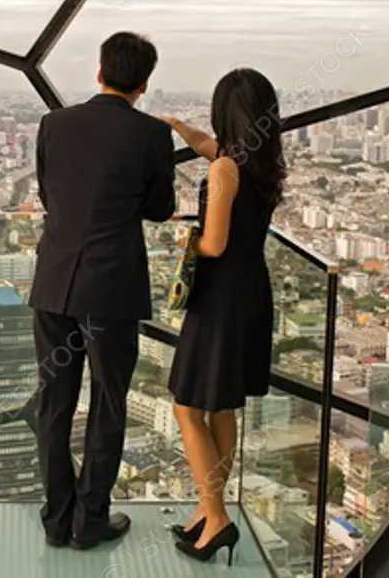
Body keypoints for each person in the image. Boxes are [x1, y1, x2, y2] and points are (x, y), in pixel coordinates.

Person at [29, 32, 176, 550]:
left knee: (54, 403)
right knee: (108, 404)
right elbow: (159, 208)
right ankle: (91, 519)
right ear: (144, 83)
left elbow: (49, 195)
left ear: (99, 72)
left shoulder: (54, 125)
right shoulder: (152, 135)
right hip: (111, 289)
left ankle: (56, 518)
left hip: (54, 284)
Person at [161, 68, 286, 565]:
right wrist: (176, 128)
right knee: (223, 407)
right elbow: (209, 146)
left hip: (220, 299)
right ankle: (207, 511)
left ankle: (216, 518)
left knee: (187, 407)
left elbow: (213, 242)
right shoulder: (257, 164)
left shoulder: (224, 171)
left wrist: (186, 240)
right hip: (251, 293)